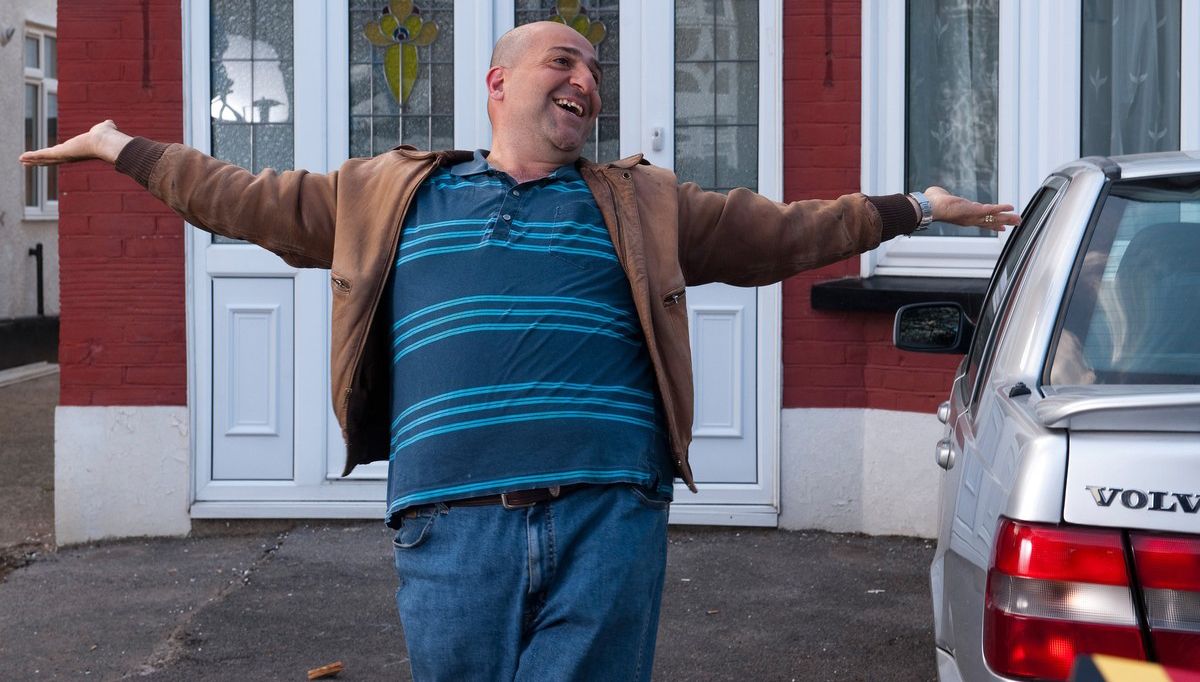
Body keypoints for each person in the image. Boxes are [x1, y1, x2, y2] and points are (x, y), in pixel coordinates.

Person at [22, 20, 1018, 681]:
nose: (587, 81)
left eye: (596, 73)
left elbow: (789, 231)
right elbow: (238, 198)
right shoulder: (390, 195)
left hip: (606, 512)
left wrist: (918, 206)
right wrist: (119, 146)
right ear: (498, 84)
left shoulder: (641, 202)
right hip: (449, 523)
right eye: (565, 62)